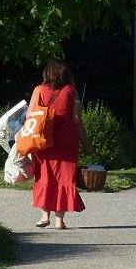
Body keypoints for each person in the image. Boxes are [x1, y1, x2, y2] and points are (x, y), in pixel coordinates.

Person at [29, 58, 93, 230]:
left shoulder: (39, 90)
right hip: (67, 138)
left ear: (47, 72)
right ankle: (59, 221)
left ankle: (44, 217)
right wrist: (86, 144)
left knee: (45, 175)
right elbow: (77, 120)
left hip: (44, 137)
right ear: (65, 72)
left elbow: (30, 116)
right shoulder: (72, 91)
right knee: (65, 177)